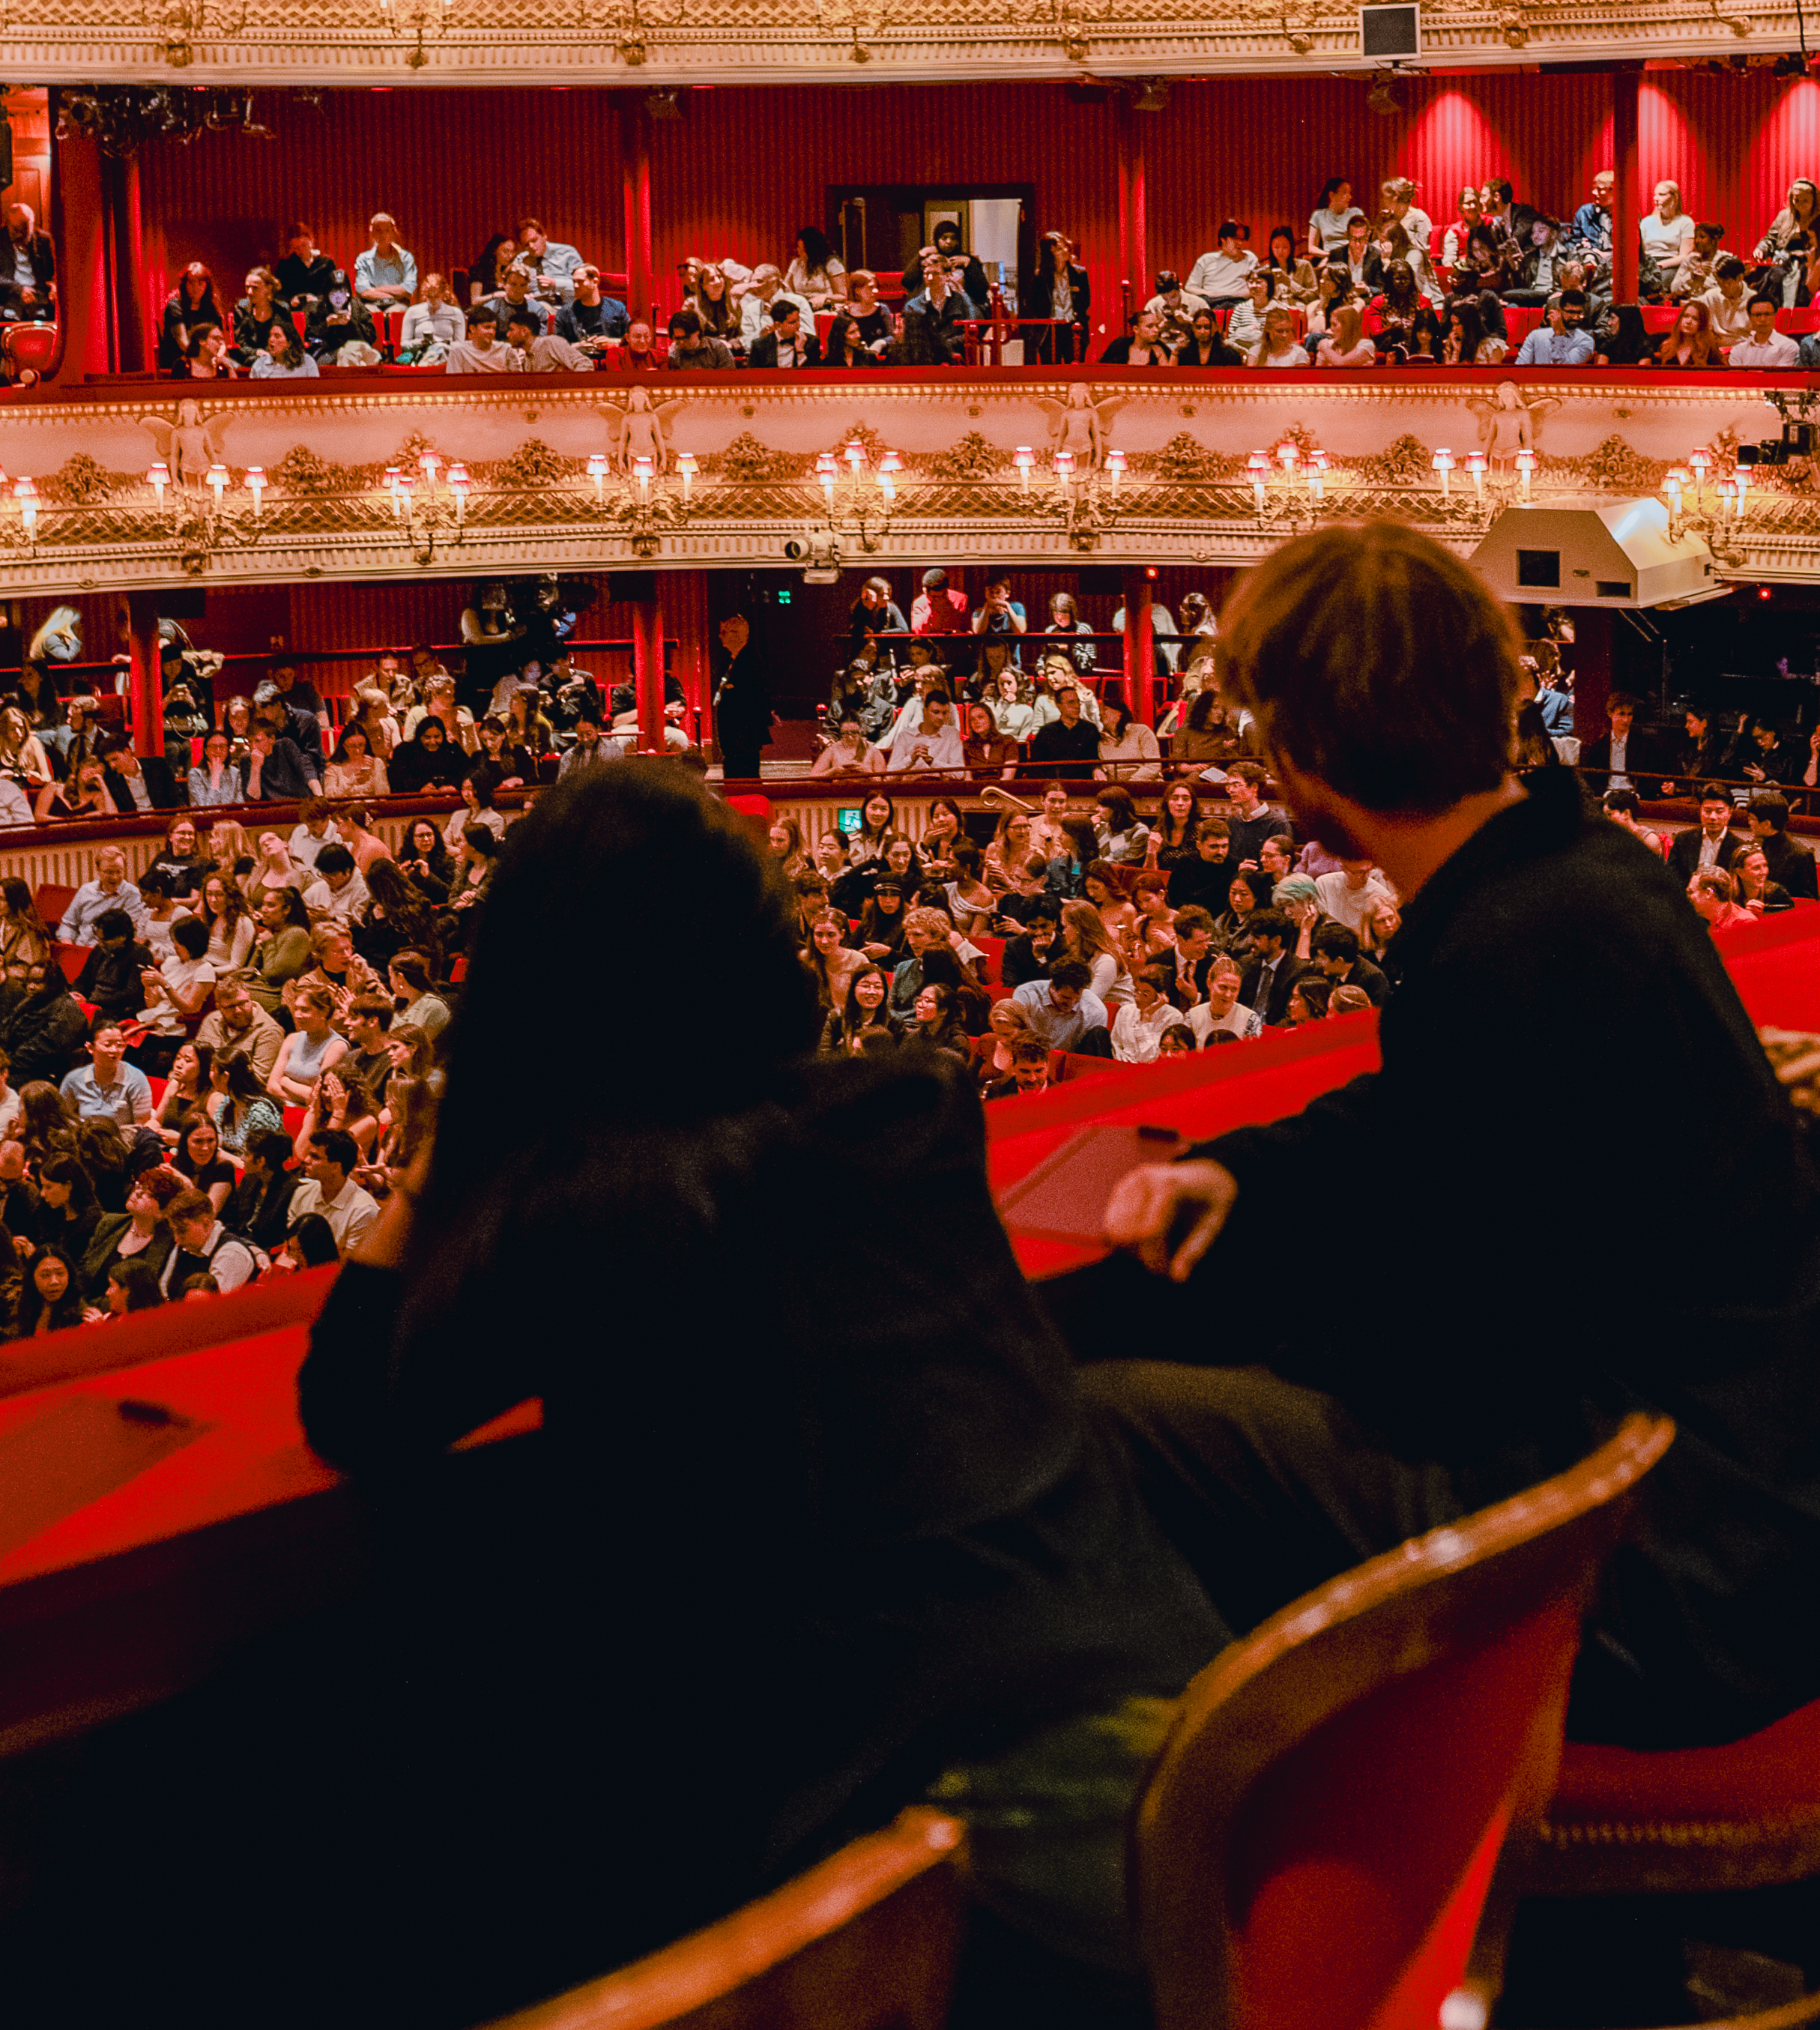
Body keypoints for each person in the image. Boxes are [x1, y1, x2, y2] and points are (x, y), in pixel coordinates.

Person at [294, 766, 1224, 2026]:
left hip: (986, 1877)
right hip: (1211, 1757)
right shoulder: (911, 1105)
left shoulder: (597, 1204)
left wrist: (436, 1155)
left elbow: (353, 1400)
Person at [1070, 520, 1820, 1750]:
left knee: (1109, 1417)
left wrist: (1249, 1279)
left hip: (1649, 1566)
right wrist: (1243, 1172)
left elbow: (1435, 1355)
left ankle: (1246, 1842)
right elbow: (1421, 1122)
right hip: (1732, 1493)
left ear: (1307, 752)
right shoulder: (1570, 866)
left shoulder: (1513, 948)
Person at [710, 608, 773, 780]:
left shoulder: (750, 660)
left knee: (744, 781)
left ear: (738, 634)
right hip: (735, 739)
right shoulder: (734, 661)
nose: (720, 636)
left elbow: (752, 698)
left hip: (743, 738)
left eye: (725, 632)